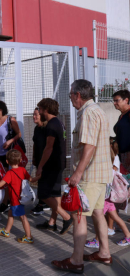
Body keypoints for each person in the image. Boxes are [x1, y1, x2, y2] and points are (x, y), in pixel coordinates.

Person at [52, 79, 113, 274]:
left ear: (78, 95)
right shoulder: (98, 111)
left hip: (89, 175)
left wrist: (77, 173)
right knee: (97, 213)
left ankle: (76, 260)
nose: (70, 98)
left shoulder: (87, 113)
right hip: (101, 173)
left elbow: (89, 146)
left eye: (70, 94)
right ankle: (104, 252)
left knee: (78, 215)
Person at [35, 99, 73, 235]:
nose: (38, 111)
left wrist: (40, 167)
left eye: (39, 109)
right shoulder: (59, 123)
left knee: (43, 194)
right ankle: (52, 222)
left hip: (52, 164)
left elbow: (48, 148)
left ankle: (67, 217)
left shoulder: (51, 125)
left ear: (45, 109)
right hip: (60, 163)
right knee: (55, 193)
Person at [85, 144, 130, 248]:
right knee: (116, 217)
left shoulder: (106, 169)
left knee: (100, 219)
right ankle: (128, 235)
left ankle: (97, 240)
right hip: (110, 198)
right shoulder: (113, 166)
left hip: (105, 198)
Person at [0, 149, 36, 244]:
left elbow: (0, 184)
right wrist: (38, 176)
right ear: (20, 161)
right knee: (10, 214)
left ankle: (28, 236)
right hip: (22, 197)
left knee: (23, 217)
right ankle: (6, 231)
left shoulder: (9, 173)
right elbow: (31, 179)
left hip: (16, 200)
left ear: (7, 162)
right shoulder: (23, 170)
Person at [0, 100, 22, 213]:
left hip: (8, 153)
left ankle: (6, 201)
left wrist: (10, 141)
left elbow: (19, 134)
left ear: (2, 109)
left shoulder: (10, 120)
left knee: (7, 179)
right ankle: (3, 200)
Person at [30, 107, 50, 215]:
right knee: (40, 181)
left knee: (43, 182)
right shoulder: (36, 129)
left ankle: (42, 204)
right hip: (38, 160)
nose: (34, 116)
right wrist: (33, 157)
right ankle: (43, 202)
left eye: (36, 114)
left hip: (46, 161)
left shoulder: (46, 129)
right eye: (33, 114)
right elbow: (34, 144)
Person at [112, 90, 130, 174]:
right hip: (122, 156)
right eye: (114, 101)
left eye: (117, 100)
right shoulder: (122, 116)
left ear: (126, 100)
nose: (114, 103)